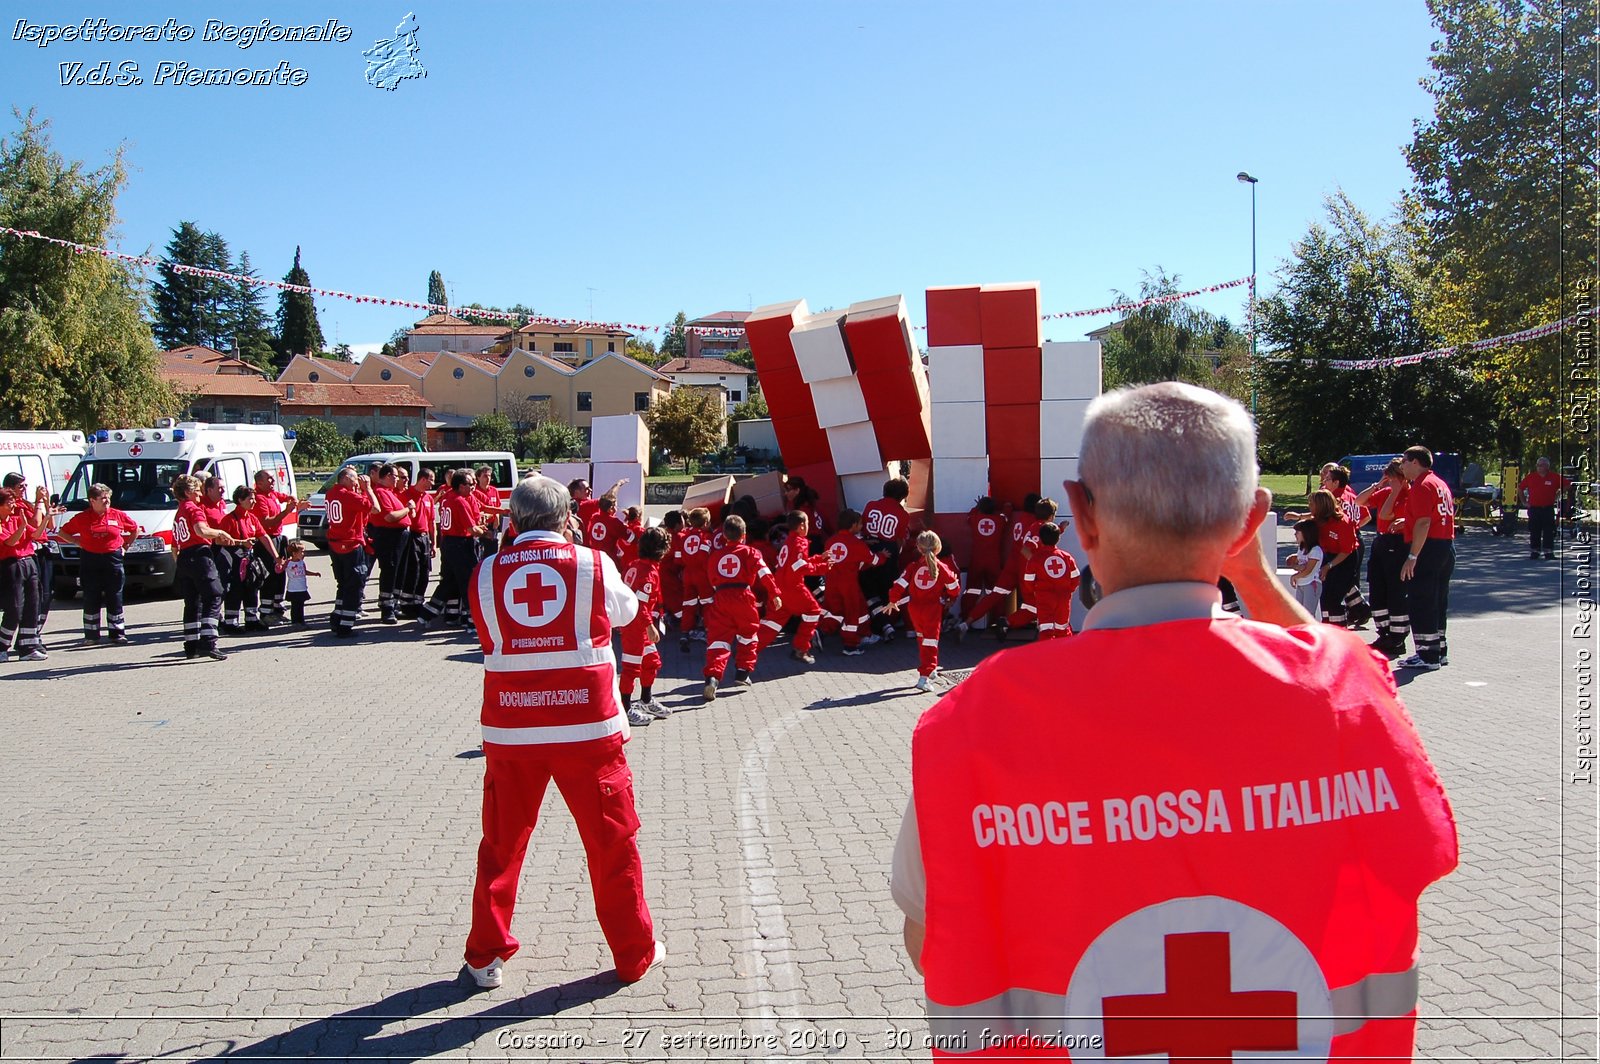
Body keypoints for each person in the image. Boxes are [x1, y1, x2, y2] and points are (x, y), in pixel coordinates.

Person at [891, 382, 1458, 1060]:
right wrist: (1251, 573)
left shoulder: (975, 723)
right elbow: (1336, 679)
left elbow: (930, 944)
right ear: (1251, 523)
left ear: (1081, 514)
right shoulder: (1347, 696)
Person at [463, 475, 664, 990]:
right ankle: (634, 954)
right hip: (588, 730)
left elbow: (489, 634)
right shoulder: (593, 563)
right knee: (612, 845)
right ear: (565, 519)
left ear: (513, 521)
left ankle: (486, 956)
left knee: (501, 847)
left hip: (512, 729)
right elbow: (626, 612)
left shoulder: (485, 572)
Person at [701, 514, 780, 702]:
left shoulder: (716, 556)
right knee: (748, 634)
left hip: (720, 597)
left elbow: (711, 579)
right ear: (744, 535)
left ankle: (713, 677)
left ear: (725, 536)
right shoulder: (751, 552)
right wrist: (774, 593)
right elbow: (765, 573)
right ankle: (743, 673)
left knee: (718, 639)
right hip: (743, 596)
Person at [55, 482, 138, 643]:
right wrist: (77, 542)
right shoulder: (82, 517)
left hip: (112, 558)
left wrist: (125, 546)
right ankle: (91, 635)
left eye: (108, 498)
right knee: (91, 596)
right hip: (90, 559)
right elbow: (62, 532)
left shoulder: (117, 515)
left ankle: (117, 633)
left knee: (115, 595)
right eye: (103, 498)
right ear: (92, 501)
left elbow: (134, 529)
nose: (107, 501)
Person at [1396, 446, 1455, 671]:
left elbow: (1424, 522)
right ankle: (1439, 650)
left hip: (1428, 548)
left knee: (1421, 600)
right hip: (1444, 546)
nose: (1402, 466)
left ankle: (1427, 654)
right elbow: (1432, 516)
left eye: (1404, 461)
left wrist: (1412, 556)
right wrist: (1407, 523)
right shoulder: (1439, 483)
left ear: (1415, 462)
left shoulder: (1421, 485)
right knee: (1438, 600)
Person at [171, 474, 238, 660]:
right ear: (187, 492)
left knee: (193, 601)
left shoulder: (179, 512)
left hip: (184, 557)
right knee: (215, 594)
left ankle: (191, 644)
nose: (200, 493)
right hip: (199, 555)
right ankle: (208, 641)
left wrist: (180, 563)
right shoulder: (193, 509)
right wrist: (220, 532)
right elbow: (201, 530)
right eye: (197, 490)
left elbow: (174, 545)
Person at [886, 530, 961, 691]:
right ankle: (925, 676)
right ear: (938, 548)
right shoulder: (942, 567)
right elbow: (954, 588)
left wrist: (893, 600)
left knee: (922, 639)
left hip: (914, 609)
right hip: (932, 609)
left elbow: (898, 584)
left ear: (918, 548)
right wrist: (949, 598)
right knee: (931, 642)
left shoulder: (913, 566)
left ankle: (930, 669)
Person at [758, 511, 832, 665]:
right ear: (802, 526)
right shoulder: (800, 542)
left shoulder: (788, 542)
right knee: (813, 611)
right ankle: (801, 649)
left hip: (780, 586)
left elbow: (795, 563)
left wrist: (819, 558)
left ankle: (749, 648)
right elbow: (800, 566)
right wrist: (822, 567)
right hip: (793, 586)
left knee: (774, 622)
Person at [619, 527, 673, 726]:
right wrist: (650, 626)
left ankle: (646, 700)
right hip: (636, 627)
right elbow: (640, 604)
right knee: (631, 669)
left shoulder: (635, 564)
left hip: (635, 624)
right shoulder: (648, 573)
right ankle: (625, 709)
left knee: (651, 662)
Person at [421, 471, 488, 630]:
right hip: (461, 543)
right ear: (461, 485)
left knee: (449, 581)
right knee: (468, 581)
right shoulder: (460, 501)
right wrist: (485, 532)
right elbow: (471, 529)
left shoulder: (448, 497)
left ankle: (426, 613)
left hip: (449, 543)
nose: (473, 487)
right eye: (470, 484)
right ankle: (472, 620)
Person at [1358, 460, 1411, 658]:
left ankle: (1397, 638)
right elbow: (1359, 501)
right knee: (1377, 589)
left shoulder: (1408, 496)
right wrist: (1378, 486)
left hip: (1398, 544)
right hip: (1382, 542)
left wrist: (1396, 491)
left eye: (1393, 478)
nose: (1390, 482)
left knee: (1396, 592)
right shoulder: (1385, 492)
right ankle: (1383, 632)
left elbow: (1387, 514)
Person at [323, 466, 379, 639]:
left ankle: (337, 617)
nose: (357, 482)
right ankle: (346, 625)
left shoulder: (331, 493)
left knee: (343, 584)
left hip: (335, 544)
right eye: (354, 479)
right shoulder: (347, 496)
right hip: (350, 545)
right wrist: (368, 489)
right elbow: (375, 508)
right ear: (346, 479)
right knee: (354, 585)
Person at [819, 509, 883, 657]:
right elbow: (874, 560)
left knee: (835, 611)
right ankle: (851, 646)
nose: (861, 527)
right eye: (860, 524)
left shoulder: (830, 541)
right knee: (853, 614)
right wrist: (883, 556)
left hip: (831, 583)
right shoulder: (856, 543)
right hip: (849, 585)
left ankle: (820, 631)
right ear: (853, 525)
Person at [217, 486, 281, 633]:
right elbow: (219, 541)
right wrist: (241, 542)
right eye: (250, 499)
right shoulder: (229, 519)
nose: (253, 502)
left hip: (248, 560)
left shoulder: (252, 518)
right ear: (240, 500)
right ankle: (230, 623)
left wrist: (276, 557)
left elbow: (263, 537)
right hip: (233, 560)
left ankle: (251, 619)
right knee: (235, 590)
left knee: (252, 587)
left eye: (254, 498)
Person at [0, 488, 48, 662]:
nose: (13, 505)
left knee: (32, 605)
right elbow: (10, 542)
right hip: (10, 565)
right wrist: (21, 527)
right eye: (9, 502)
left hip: (28, 561)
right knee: (14, 608)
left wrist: (47, 517)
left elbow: (35, 534)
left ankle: (28, 647)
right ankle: (2, 646)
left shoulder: (15, 519)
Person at [368, 463, 415, 624]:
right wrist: (408, 509)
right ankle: (387, 608)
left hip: (399, 535)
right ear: (387, 476)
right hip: (388, 536)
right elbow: (390, 517)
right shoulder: (381, 493)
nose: (397, 480)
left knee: (399, 571)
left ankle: (394, 604)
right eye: (395, 476)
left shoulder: (391, 492)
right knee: (390, 570)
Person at [1309, 488, 1361, 627]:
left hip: (1345, 559)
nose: (1309, 507)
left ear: (1321, 505)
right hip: (1329, 555)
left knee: (1334, 598)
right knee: (1325, 596)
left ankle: (1339, 629)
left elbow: (1346, 550)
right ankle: (1328, 624)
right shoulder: (1319, 521)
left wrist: (1328, 566)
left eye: (1312, 504)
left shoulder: (1342, 522)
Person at [250, 469, 298, 615]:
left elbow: (283, 496)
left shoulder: (271, 494)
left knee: (280, 573)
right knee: (269, 575)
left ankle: (278, 606)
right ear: (259, 483)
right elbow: (267, 523)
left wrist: (292, 498)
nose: (273, 481)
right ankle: (266, 611)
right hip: (266, 540)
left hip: (278, 538)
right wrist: (286, 512)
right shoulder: (259, 498)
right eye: (269, 479)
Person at [1023, 521, 1081, 639]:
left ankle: (1046, 655)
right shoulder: (1066, 556)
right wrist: (1068, 590)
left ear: (1040, 539)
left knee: (1046, 629)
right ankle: (1065, 655)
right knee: (1062, 628)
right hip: (1063, 597)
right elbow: (1075, 578)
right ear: (1058, 538)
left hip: (1044, 597)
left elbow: (1028, 580)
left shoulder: (1035, 559)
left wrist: (1035, 591)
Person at [399, 467, 438, 618]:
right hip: (412, 536)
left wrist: (433, 543)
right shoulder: (406, 495)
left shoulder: (428, 498)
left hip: (424, 537)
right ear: (423, 479)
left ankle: (418, 602)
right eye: (431, 480)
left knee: (424, 572)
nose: (432, 484)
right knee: (412, 571)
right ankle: (407, 605)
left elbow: (431, 522)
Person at [676, 508, 713, 651]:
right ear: (705, 523)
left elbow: (678, 559)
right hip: (702, 574)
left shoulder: (683, 537)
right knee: (708, 603)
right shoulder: (705, 537)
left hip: (687, 574)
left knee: (688, 604)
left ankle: (684, 633)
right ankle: (709, 632)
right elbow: (704, 558)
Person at [1519, 456, 1568, 560]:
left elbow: (1567, 485)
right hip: (1534, 508)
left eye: (1541, 465)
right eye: (1538, 465)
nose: (1539, 467)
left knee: (1548, 530)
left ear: (1547, 466)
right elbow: (1520, 488)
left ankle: (1548, 552)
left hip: (1547, 508)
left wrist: (1558, 494)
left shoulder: (1554, 477)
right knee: (1534, 530)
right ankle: (1535, 551)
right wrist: (1524, 501)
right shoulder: (1531, 477)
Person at [1287, 517, 1325, 617]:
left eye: (1297, 532)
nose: (1295, 535)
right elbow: (1299, 565)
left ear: (1306, 533)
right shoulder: (1302, 549)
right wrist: (1296, 565)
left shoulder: (1315, 550)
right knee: (1299, 614)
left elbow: (1308, 570)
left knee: (1308, 614)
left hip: (1311, 584)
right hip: (1301, 583)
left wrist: (1294, 576)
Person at [282, 539, 319, 626]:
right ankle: (295, 622)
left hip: (302, 588)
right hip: (293, 589)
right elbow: (279, 570)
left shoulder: (302, 563)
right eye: (301, 552)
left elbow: (305, 571)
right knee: (295, 606)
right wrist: (279, 564)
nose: (303, 554)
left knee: (301, 605)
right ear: (294, 553)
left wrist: (314, 574)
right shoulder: (288, 563)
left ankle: (301, 621)